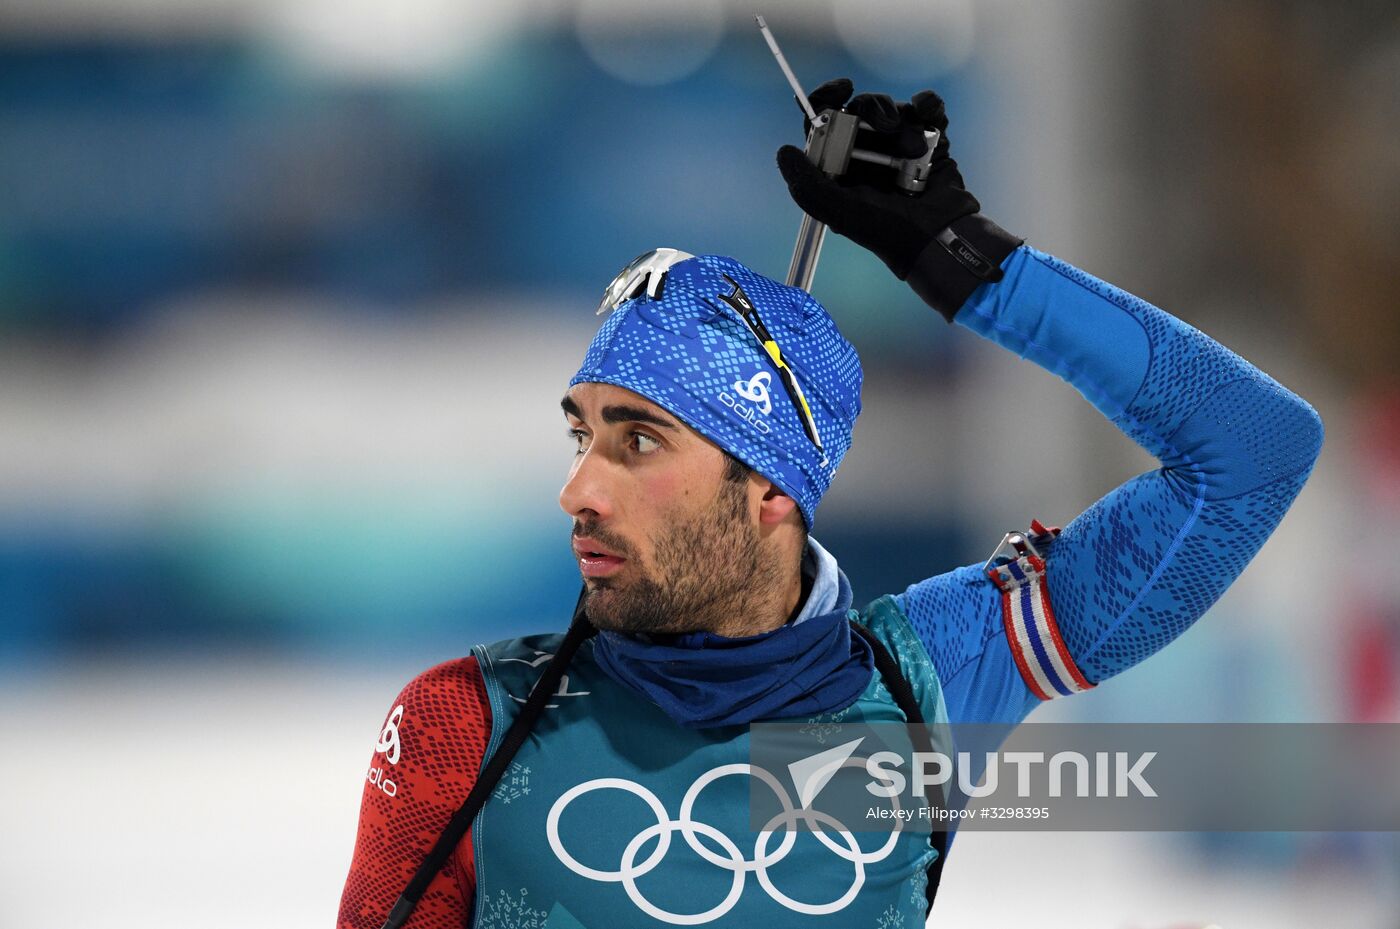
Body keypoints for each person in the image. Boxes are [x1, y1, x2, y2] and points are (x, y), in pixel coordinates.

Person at [336, 79, 1323, 928]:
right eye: (580, 435)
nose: (577, 488)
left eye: (636, 440)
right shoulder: (461, 726)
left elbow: (1252, 452)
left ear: (769, 486)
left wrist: (972, 267)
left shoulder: (925, 684)